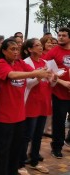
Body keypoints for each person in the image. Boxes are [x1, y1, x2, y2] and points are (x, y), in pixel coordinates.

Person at [0, 38, 52, 175]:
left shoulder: (19, 62)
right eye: (12, 49)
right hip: (4, 116)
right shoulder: (1, 63)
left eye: (17, 49)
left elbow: (34, 72)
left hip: (19, 115)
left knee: (15, 150)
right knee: (2, 152)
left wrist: (43, 73)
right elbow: (12, 75)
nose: (15, 52)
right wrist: (35, 73)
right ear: (4, 51)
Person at [18, 38, 56, 175]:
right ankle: (20, 163)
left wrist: (54, 79)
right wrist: (38, 76)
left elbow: (50, 83)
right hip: (31, 103)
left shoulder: (46, 62)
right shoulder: (25, 63)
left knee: (38, 135)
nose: (40, 47)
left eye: (41, 45)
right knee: (27, 135)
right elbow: (28, 84)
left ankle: (34, 161)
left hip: (43, 102)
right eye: (37, 45)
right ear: (29, 49)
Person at [43, 27, 70, 159]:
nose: (60, 37)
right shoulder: (53, 52)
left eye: (64, 35)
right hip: (59, 93)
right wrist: (62, 82)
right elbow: (47, 71)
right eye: (59, 35)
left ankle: (68, 140)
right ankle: (57, 147)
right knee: (59, 122)